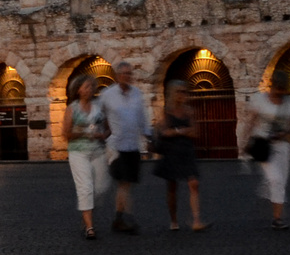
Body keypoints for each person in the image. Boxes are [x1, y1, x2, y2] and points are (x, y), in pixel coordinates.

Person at [98, 61, 150, 233]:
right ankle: (123, 218)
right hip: (116, 146)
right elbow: (99, 116)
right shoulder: (107, 94)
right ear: (117, 76)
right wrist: (103, 134)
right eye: (124, 74)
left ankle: (120, 217)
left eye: (129, 74)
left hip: (132, 145)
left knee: (127, 183)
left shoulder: (137, 94)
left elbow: (142, 118)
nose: (127, 76)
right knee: (124, 182)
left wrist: (148, 136)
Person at [246, 76, 290, 230]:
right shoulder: (259, 99)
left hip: (283, 145)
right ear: (272, 86)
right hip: (263, 144)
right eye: (276, 89)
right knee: (277, 180)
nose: (279, 93)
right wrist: (245, 140)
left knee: (281, 181)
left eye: (282, 90)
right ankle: (277, 219)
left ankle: (268, 188)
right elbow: (251, 120)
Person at [154, 81, 208, 232]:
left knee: (194, 182)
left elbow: (195, 132)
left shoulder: (189, 111)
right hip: (171, 152)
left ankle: (196, 220)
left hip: (186, 150)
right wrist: (182, 131)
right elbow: (164, 132)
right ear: (173, 93)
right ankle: (174, 220)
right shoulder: (167, 111)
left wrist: (177, 131)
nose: (183, 95)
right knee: (172, 187)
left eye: (185, 91)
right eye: (180, 91)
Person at [65, 76, 112, 239]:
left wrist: (102, 135)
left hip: (98, 150)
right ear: (78, 89)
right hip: (78, 152)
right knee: (85, 187)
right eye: (86, 87)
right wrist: (84, 133)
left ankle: (86, 213)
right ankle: (89, 227)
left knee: (101, 187)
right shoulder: (72, 108)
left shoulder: (99, 107)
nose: (89, 89)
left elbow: (108, 129)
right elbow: (66, 133)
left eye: (92, 86)